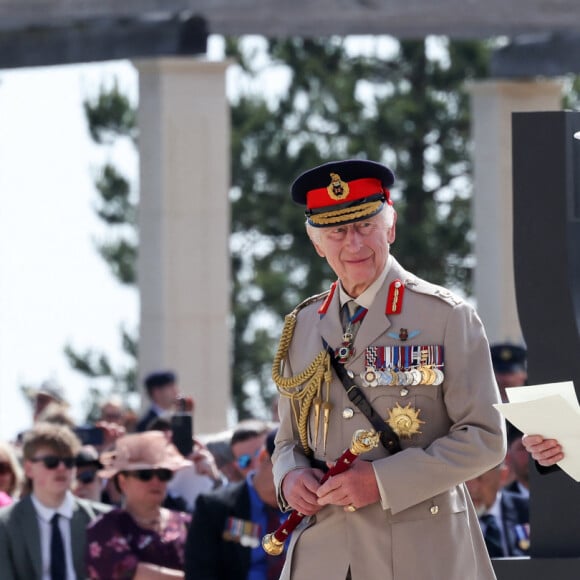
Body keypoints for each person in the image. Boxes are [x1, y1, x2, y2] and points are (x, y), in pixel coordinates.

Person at [271, 159, 506, 579]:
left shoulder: (446, 317)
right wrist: (289, 478)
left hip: (421, 554)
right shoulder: (301, 326)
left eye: (365, 226)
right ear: (317, 244)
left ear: (390, 228)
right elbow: (288, 441)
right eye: (337, 232)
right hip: (322, 557)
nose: (353, 244)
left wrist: (379, 481)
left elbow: (484, 438)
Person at [0, 422, 110, 580]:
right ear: (29, 468)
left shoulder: (101, 519)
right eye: (51, 462)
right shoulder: (5, 524)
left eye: (69, 462)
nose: (61, 468)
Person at [86, 431, 192, 579]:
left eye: (163, 474)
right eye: (145, 475)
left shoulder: (188, 523)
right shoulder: (105, 526)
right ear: (123, 481)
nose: (156, 482)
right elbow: (129, 573)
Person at [184, 428, 286, 580]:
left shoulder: (312, 509)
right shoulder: (215, 508)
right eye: (288, 465)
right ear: (264, 457)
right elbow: (200, 573)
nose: (296, 476)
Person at [466, 463, 530, 557]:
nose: (472, 489)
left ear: (502, 475)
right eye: (465, 481)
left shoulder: (528, 511)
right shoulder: (451, 519)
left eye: (480, 478)